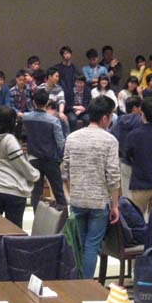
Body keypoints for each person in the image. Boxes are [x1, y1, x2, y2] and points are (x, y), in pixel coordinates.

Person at [64, 96, 120, 279]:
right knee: (92, 246)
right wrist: (115, 205)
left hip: (77, 199)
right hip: (99, 201)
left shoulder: (72, 138)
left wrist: (72, 192)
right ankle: (86, 285)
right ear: (105, 118)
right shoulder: (110, 140)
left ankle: (75, 281)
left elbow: (65, 170)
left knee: (77, 244)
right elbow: (113, 176)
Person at [0, 106, 40, 228]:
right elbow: (21, 165)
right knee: (14, 232)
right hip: (14, 190)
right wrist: (35, 175)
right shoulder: (9, 140)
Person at [23, 90, 67, 211]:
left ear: (33, 102)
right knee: (58, 191)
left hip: (33, 158)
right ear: (47, 103)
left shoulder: (26, 117)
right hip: (50, 159)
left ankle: (37, 218)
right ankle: (63, 218)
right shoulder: (53, 120)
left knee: (36, 193)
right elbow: (60, 142)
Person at [111, 96, 143, 201]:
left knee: (126, 194)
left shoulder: (119, 120)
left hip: (122, 160)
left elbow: (113, 137)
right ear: (135, 108)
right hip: (139, 161)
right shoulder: (141, 121)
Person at [55, 46, 79, 110]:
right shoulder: (58, 68)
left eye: (68, 53)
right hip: (61, 93)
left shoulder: (74, 68)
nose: (67, 55)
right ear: (62, 55)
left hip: (72, 94)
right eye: (65, 53)